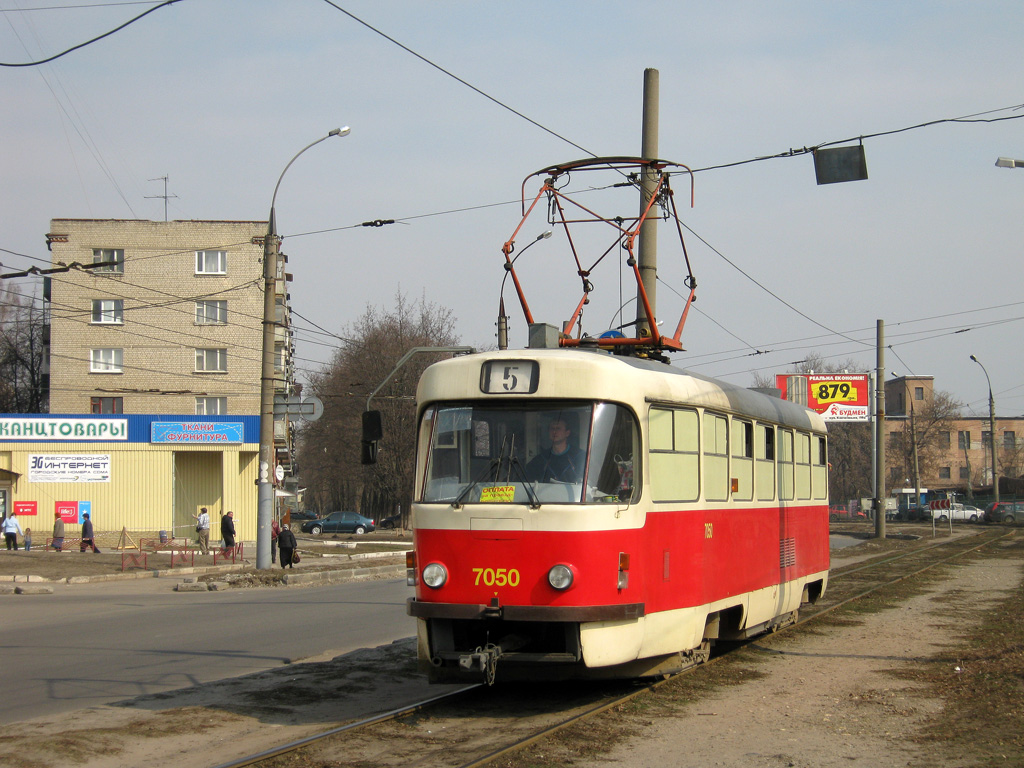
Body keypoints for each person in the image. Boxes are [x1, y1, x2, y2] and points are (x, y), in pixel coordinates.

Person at [525, 416, 587, 483]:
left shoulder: (579, 456)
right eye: (552, 428)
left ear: (567, 433)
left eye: (558, 428)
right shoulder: (541, 459)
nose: (554, 431)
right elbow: (527, 480)